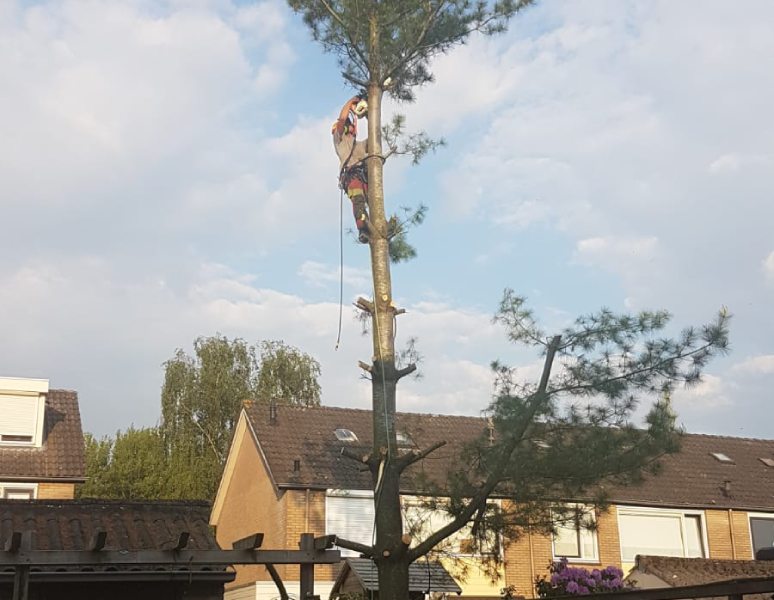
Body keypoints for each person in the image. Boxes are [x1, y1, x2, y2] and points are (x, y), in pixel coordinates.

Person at [332, 95, 369, 243]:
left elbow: (372, 141)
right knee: (358, 201)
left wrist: (368, 114)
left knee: (373, 201)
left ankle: (377, 226)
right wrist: (352, 101)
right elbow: (342, 119)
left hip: (365, 177)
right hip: (351, 176)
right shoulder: (339, 139)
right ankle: (363, 229)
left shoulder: (358, 145)